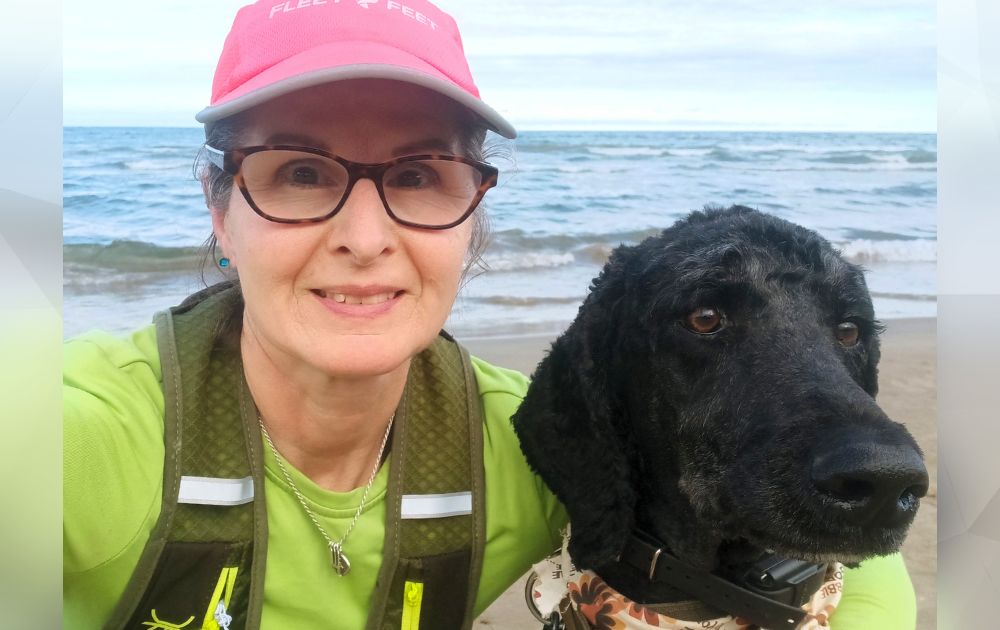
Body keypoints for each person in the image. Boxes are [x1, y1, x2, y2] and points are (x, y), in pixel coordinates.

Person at [63, 1, 917, 628]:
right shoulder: (89, 435)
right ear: (221, 208)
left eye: (419, 175)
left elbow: (842, 552)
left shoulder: (516, 441)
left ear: (472, 216)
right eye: (300, 173)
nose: (365, 238)